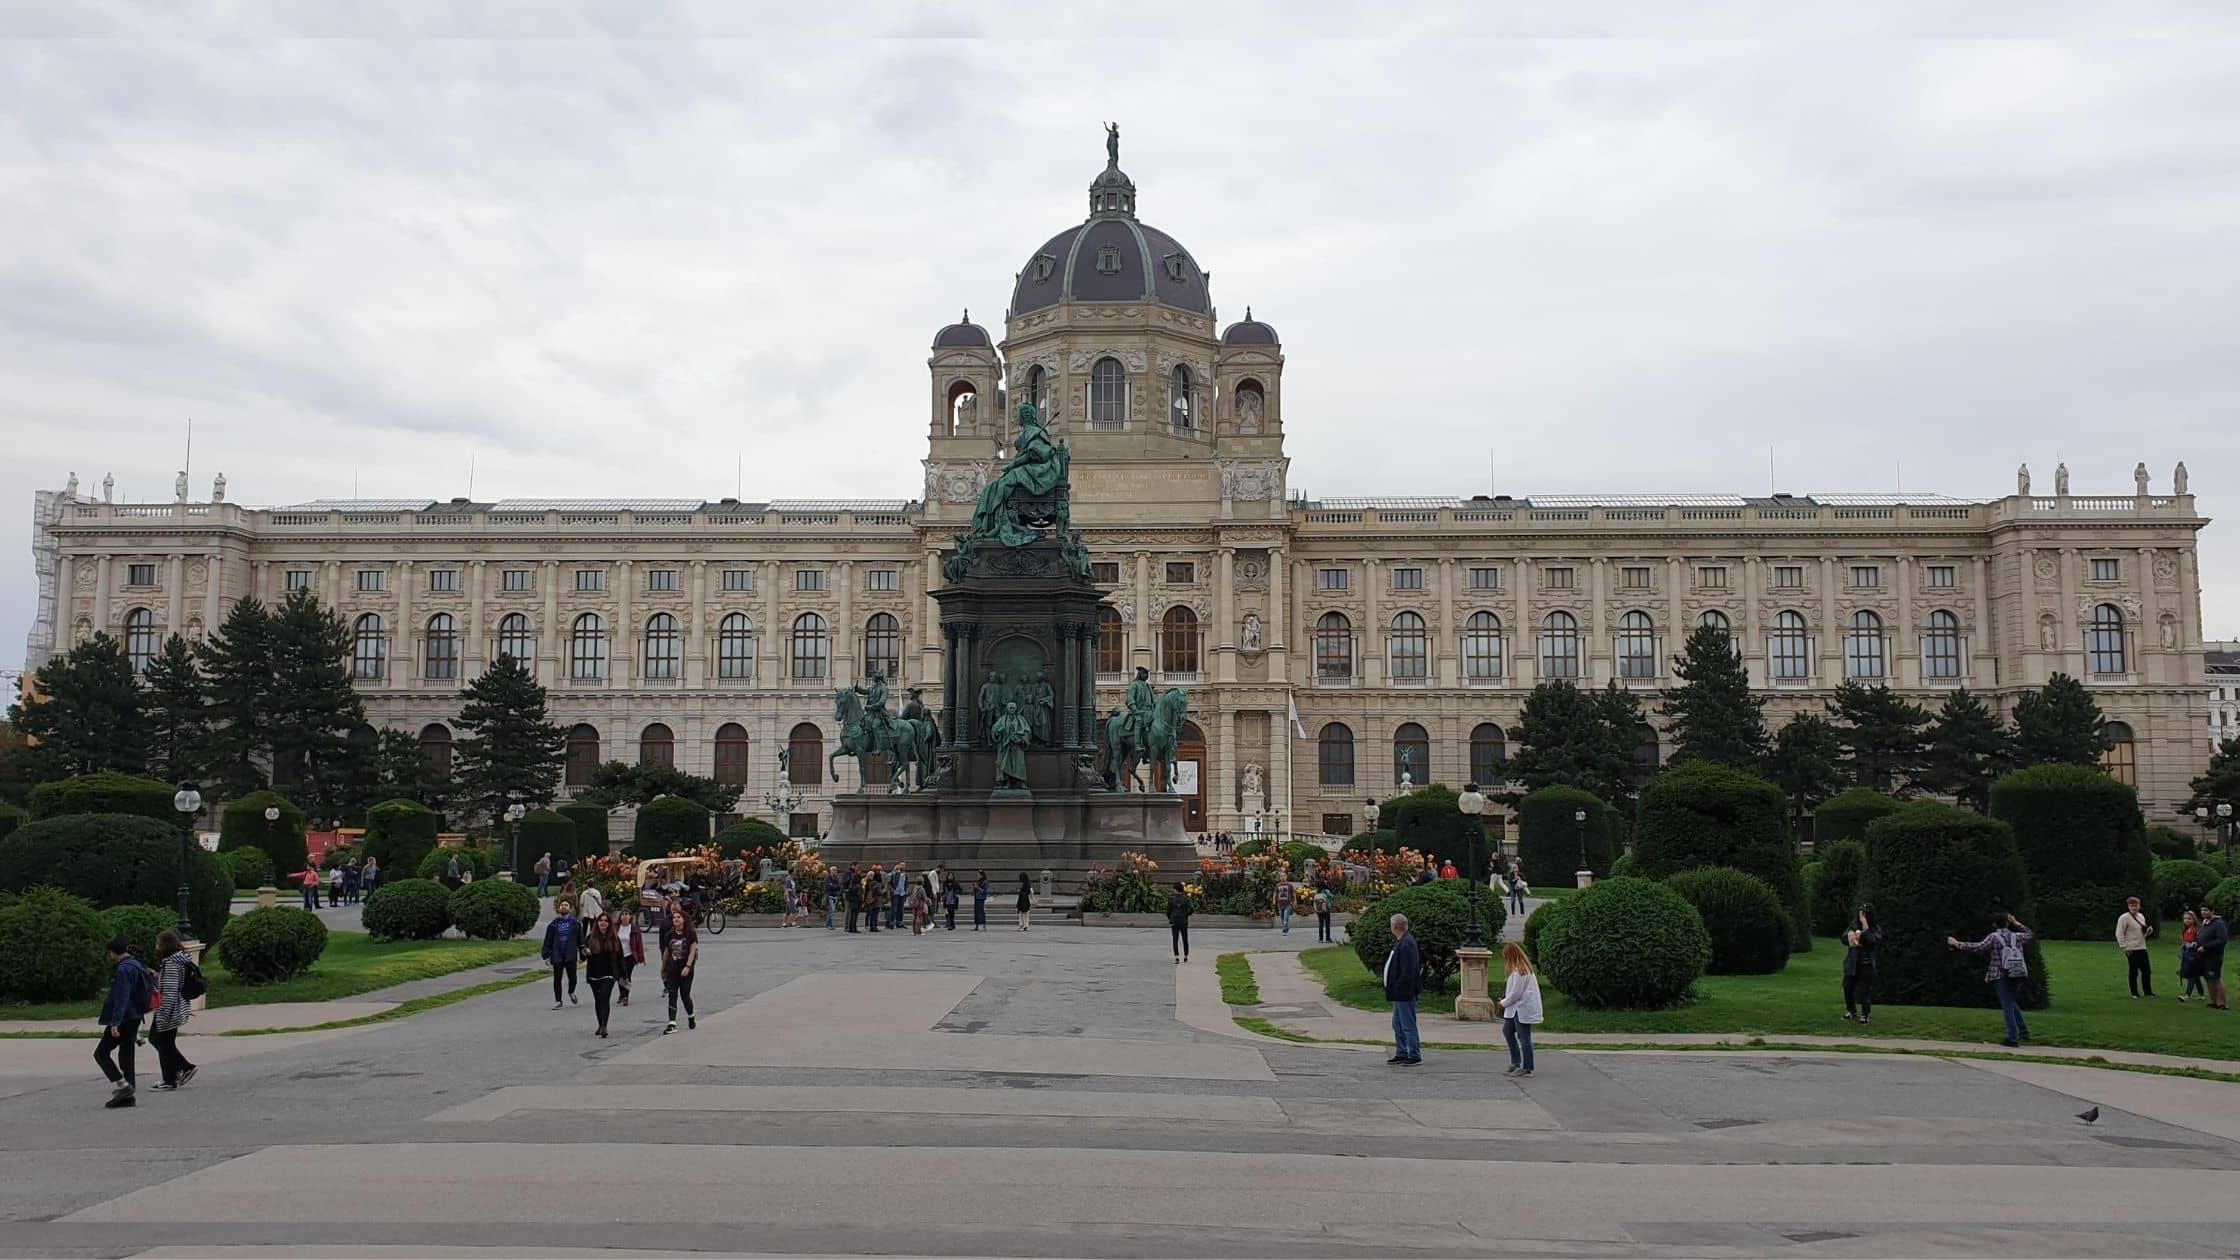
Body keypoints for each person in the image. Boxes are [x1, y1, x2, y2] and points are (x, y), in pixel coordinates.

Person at [1948, 912, 2036, 1046]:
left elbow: (1978, 947)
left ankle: (2013, 1038)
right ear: (2007, 923)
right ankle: (2023, 1032)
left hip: (2000, 974)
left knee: (2007, 1005)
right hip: (2017, 973)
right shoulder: (2016, 936)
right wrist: (2017, 923)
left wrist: (1957, 944)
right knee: (2011, 1002)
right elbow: (2030, 934)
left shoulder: (1994, 937)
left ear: (1994, 924)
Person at [95, 937, 153, 1107]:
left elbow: (122, 997)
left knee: (101, 1053)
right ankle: (129, 1091)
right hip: (135, 1015)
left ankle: (123, 1084)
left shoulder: (123, 970)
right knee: (126, 1053)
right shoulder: (137, 965)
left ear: (112, 952)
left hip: (124, 1017)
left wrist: (115, 1022)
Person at [146, 929, 198, 1091]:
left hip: (169, 1009)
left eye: (158, 944)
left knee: (160, 1040)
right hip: (178, 1006)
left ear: (165, 945)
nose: (156, 947)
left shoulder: (171, 963)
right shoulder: (180, 960)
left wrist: (163, 1012)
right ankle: (178, 1070)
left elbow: (169, 990)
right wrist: (158, 976)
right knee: (163, 1041)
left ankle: (174, 1075)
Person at [1495, 941, 1543, 1077]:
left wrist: (1502, 1003)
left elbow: (1516, 994)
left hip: (1522, 1009)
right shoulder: (1518, 969)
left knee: (1524, 1037)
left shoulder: (1521, 971)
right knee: (1508, 1031)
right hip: (1516, 1009)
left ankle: (1527, 1067)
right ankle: (1516, 1062)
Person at [1383, 913, 1422, 1066]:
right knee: (1398, 1024)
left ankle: (1413, 1054)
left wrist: (1398, 986)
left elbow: (1408, 971)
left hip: (1405, 993)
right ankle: (1402, 1051)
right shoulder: (1402, 941)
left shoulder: (1407, 944)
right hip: (1399, 993)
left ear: (1395, 927)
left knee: (1407, 1025)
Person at [660, 904, 698, 1033]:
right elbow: (666, 952)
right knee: (672, 994)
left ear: (684, 919)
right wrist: (663, 968)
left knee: (685, 995)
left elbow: (693, 951)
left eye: (678, 917)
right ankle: (672, 1023)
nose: (675, 919)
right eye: (674, 917)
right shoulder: (669, 935)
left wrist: (688, 966)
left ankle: (691, 1016)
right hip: (672, 969)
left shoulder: (691, 934)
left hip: (686, 970)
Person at [582, 913, 621, 1037]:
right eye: (600, 921)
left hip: (609, 974)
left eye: (605, 921)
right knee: (598, 1000)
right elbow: (583, 956)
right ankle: (600, 1024)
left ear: (609, 924)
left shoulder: (614, 939)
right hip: (594, 973)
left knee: (604, 998)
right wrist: (584, 952)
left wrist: (623, 975)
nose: (603, 923)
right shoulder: (590, 938)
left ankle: (604, 1026)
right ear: (597, 923)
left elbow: (620, 958)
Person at [1842, 905, 1881, 1023]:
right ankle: (1851, 1010)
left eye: (1865, 914)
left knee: (1864, 990)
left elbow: (1872, 940)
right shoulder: (1853, 925)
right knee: (1847, 986)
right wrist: (1851, 936)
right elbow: (1843, 938)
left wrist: (1865, 928)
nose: (1862, 916)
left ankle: (1865, 1014)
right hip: (1853, 962)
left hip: (1866, 963)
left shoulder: (1875, 929)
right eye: (1861, 913)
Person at [542, 898, 582, 1009]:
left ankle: (571, 991)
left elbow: (580, 941)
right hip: (557, 954)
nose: (564, 906)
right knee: (557, 978)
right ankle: (558, 1000)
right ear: (558, 909)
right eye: (562, 905)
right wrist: (546, 955)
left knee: (572, 977)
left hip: (570, 954)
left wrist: (583, 954)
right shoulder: (553, 925)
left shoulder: (575, 924)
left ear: (570, 909)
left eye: (566, 905)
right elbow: (547, 941)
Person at [2116, 895, 2155, 998]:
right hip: (2131, 948)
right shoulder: (2124, 918)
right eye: (2131, 905)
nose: (2134, 907)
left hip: (2142, 946)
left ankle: (2148, 991)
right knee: (2133, 971)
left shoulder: (2141, 916)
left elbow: (2142, 933)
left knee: (2147, 971)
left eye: (2136, 905)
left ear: (2139, 906)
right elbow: (2119, 933)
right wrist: (2124, 947)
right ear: (2128, 906)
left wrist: (2148, 932)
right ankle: (2134, 993)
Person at [2197, 903, 2230, 1010]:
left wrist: (2206, 947)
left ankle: (2222, 1003)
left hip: (2214, 956)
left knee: (2216, 978)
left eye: (2206, 910)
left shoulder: (2219, 924)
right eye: (2202, 910)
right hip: (2204, 956)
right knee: (2208, 978)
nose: (2203, 912)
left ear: (2212, 911)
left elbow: (2222, 940)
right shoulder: (2205, 923)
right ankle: (2213, 1001)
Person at [614, 909, 643, 1007]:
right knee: (619, 976)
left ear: (630, 917)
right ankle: (621, 994)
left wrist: (641, 957)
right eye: (622, 914)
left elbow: (639, 943)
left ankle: (625, 995)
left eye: (626, 914)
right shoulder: (616, 928)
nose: (624, 916)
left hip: (630, 955)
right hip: (618, 956)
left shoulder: (634, 928)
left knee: (627, 975)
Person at [2177, 910, 2206, 1001]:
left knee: (2192, 975)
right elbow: (2184, 942)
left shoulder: (2197, 929)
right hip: (2187, 954)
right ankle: (2201, 994)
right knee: (2195, 975)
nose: (2187, 920)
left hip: (2195, 954)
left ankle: (2187, 995)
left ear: (2194, 919)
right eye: (2185, 919)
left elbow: (2200, 941)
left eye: (2189, 918)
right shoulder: (2185, 930)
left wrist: (2193, 944)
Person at [1167, 881, 1193, 963]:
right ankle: (1185, 955)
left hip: (1174, 920)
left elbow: (1168, 911)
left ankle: (1176, 956)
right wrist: (1186, 915)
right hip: (1183, 920)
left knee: (1175, 939)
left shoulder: (1171, 899)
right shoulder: (1185, 899)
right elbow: (1192, 909)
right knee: (1185, 938)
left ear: (1175, 889)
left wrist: (1170, 918)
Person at [842, 864, 863, 933]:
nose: (858, 868)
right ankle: (848, 927)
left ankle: (850, 927)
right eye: (857, 866)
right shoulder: (848, 873)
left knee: (851, 913)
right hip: (852, 898)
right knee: (849, 912)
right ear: (853, 866)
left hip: (851, 897)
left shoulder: (853, 878)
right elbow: (845, 883)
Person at [889, 862, 909, 930]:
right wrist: (892, 890)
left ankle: (899, 922)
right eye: (902, 865)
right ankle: (891, 922)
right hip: (896, 893)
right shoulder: (894, 874)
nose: (903, 866)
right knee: (894, 908)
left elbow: (906, 883)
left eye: (904, 865)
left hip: (902, 893)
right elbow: (889, 883)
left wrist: (906, 891)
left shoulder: (905, 874)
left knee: (901, 909)